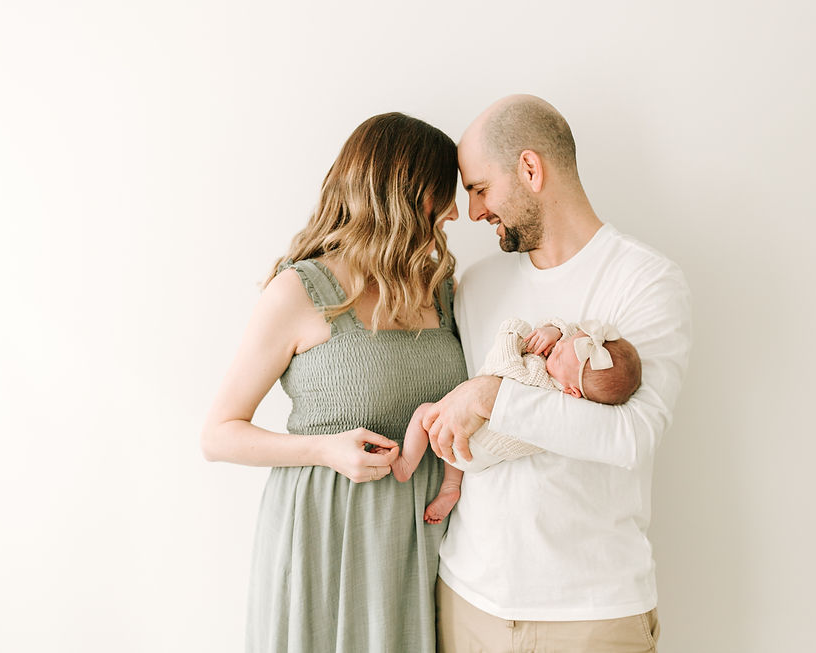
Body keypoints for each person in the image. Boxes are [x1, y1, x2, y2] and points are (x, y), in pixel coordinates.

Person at [420, 95, 693, 652]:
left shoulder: (646, 281)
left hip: (591, 614)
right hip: (468, 597)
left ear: (529, 168)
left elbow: (631, 437)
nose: (473, 212)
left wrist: (494, 396)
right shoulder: (476, 284)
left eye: (478, 189)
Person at [200, 112, 469, 652]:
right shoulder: (298, 292)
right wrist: (325, 449)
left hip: (424, 543)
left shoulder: (442, 292)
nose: (456, 212)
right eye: (442, 195)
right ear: (403, 194)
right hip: (327, 537)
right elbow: (218, 434)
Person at [392, 316, 641, 524]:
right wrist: (555, 331)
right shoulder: (567, 397)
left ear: (571, 390)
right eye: (563, 343)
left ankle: (405, 464)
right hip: (478, 454)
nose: (559, 346)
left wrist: (514, 331)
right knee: (459, 442)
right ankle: (450, 487)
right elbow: (573, 333)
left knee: (426, 412)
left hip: (474, 444)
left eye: (560, 355)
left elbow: (500, 365)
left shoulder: (537, 382)